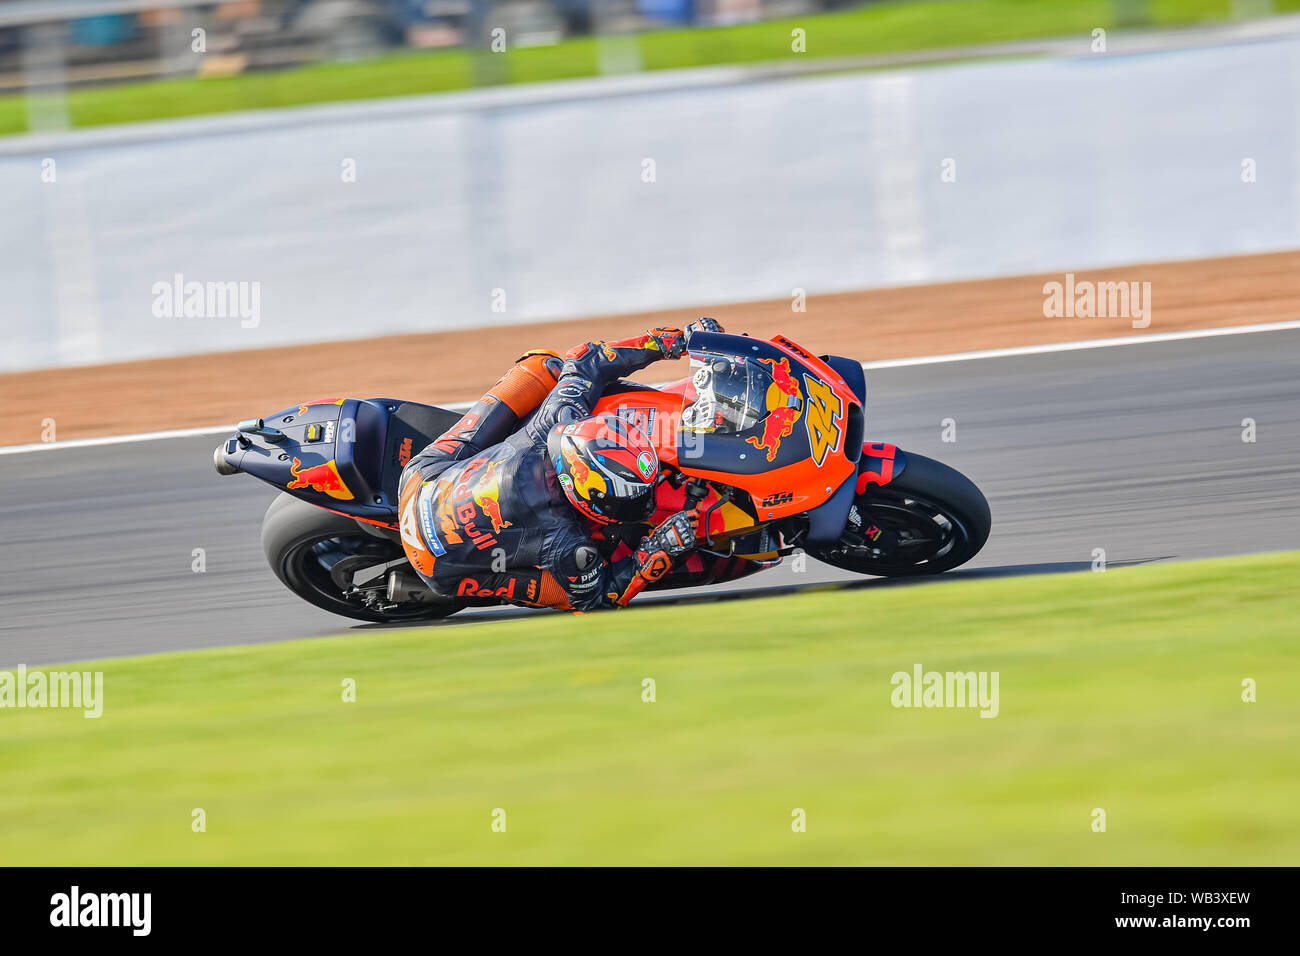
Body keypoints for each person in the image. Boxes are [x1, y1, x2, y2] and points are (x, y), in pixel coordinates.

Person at [397, 319, 724, 611]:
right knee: (576, 597)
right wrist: (657, 552)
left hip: (423, 477)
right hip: (434, 562)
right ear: (585, 497)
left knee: (543, 366)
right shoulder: (566, 541)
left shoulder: (556, 420)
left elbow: (586, 358)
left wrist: (669, 343)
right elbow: (600, 596)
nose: (644, 502)